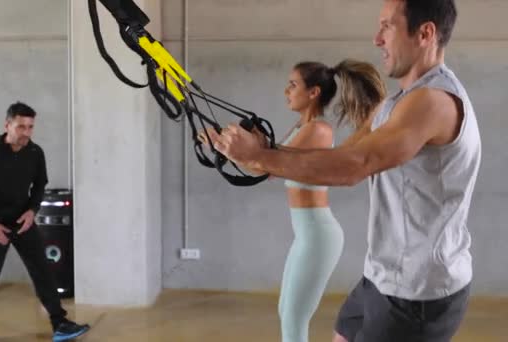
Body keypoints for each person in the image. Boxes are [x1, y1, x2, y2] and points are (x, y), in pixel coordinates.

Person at [213, 1, 480, 341]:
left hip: (418, 291)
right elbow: (342, 156)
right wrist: (255, 153)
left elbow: (356, 166)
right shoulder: (395, 104)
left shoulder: (433, 102)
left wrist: (261, 157)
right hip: (382, 275)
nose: (376, 39)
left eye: (387, 26)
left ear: (425, 33)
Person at [200, 59, 386, 342]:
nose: (287, 91)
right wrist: (227, 148)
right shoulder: (301, 129)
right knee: (286, 310)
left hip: (318, 234)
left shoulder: (318, 130)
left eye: (293, 85)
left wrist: (232, 149)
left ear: (313, 93)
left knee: (294, 317)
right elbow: (266, 169)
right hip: (307, 233)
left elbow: (265, 166)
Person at [0, 102, 90, 342]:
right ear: (7, 125)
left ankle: (60, 324)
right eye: (21, 126)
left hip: (23, 222)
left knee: (43, 273)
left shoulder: (35, 153)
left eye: (30, 127)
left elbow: (40, 185)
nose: (26, 132)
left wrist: (33, 211)